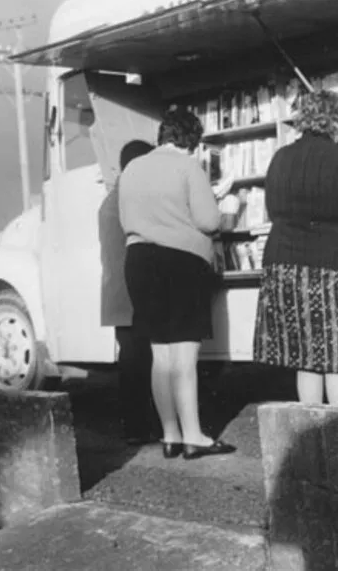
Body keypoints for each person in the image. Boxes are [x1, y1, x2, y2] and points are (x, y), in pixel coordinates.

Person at [253, 89, 338, 406]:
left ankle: (312, 432)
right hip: (335, 271)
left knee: (306, 358)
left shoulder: (280, 158)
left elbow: (273, 211)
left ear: (302, 120)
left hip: (286, 269)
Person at [119, 107, 236, 460]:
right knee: (184, 356)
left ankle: (169, 435)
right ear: (192, 141)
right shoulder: (188, 167)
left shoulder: (132, 168)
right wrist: (225, 203)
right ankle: (194, 437)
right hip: (182, 263)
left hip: (139, 260)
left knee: (161, 355)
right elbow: (208, 221)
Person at [98, 139, 158, 445]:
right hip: (133, 293)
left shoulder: (114, 198)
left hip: (120, 294)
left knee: (133, 362)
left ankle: (137, 427)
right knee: (139, 363)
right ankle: (139, 428)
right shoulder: (131, 200)